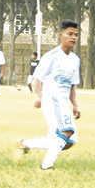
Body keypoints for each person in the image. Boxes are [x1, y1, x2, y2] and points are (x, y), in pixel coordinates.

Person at [16, 20, 81, 170]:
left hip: (63, 102)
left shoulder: (75, 60)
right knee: (67, 131)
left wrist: (75, 105)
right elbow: (37, 79)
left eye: (76, 35)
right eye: (70, 34)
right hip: (52, 100)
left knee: (69, 141)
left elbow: (72, 85)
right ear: (61, 35)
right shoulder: (51, 56)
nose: (73, 37)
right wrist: (38, 97)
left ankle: (24, 144)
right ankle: (46, 167)